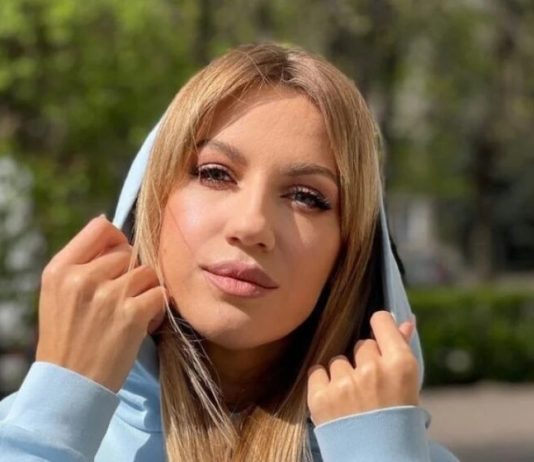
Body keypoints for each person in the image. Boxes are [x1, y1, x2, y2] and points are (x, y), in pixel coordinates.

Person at [0, 43, 459, 461]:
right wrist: (56, 411)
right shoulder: (24, 429)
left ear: (351, 253)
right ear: (151, 202)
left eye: (306, 197)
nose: (251, 225)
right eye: (215, 174)